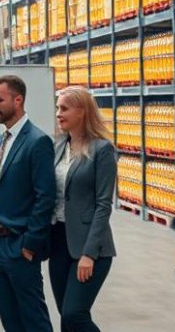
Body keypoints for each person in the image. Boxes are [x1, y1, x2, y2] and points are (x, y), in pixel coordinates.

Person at [0, 74, 55, 332]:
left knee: (34, 320)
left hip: (19, 245)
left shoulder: (38, 141)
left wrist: (31, 243)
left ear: (18, 99)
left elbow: (45, 197)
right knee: (10, 320)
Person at [47, 87, 117, 332]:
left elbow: (103, 205)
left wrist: (89, 254)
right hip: (58, 243)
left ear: (82, 111)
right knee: (65, 317)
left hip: (89, 247)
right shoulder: (57, 147)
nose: (58, 113)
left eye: (64, 108)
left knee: (74, 314)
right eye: (57, 108)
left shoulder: (102, 150)